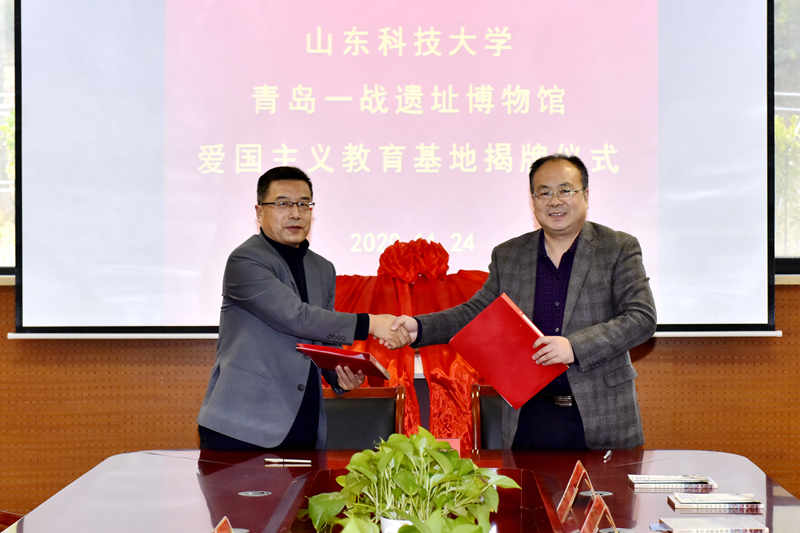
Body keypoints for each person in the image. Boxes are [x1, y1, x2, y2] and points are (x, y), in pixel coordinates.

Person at [390, 154, 656, 450]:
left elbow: (641, 317)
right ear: (533, 200)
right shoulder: (510, 255)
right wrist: (419, 327)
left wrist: (574, 347)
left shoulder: (617, 247)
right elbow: (476, 313)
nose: (555, 201)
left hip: (603, 414)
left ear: (586, 195)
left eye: (565, 190)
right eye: (544, 192)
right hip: (530, 417)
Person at [197, 166, 409, 451]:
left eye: (304, 204)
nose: (296, 213)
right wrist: (371, 323)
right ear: (259, 212)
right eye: (283, 204)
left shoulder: (322, 268)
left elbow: (321, 340)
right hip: (243, 425)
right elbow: (296, 318)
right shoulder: (245, 260)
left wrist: (340, 375)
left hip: (303, 424)